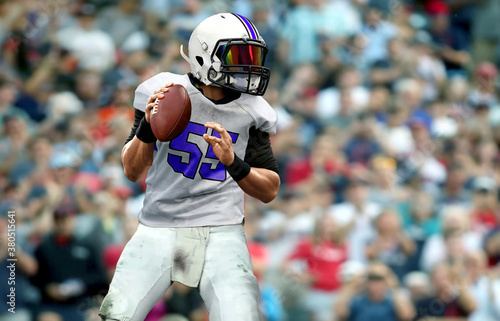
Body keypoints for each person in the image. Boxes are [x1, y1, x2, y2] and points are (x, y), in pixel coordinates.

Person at [99, 13, 280, 321]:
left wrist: (233, 163)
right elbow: (131, 171)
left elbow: (270, 190)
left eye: (252, 56)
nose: (248, 66)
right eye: (238, 56)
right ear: (204, 55)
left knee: (241, 315)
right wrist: (147, 126)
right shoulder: (164, 91)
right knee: (117, 314)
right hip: (159, 223)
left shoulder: (252, 111)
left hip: (220, 227)